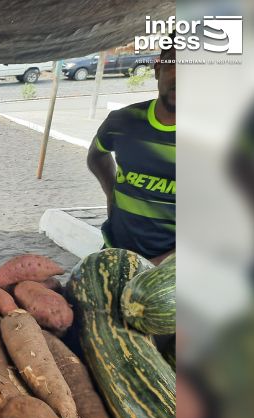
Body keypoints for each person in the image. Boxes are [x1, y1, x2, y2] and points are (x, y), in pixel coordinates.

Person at [87, 36, 176, 265]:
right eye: (176, 64)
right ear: (158, 68)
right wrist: (111, 194)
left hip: (170, 276)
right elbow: (96, 156)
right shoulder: (123, 122)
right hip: (112, 259)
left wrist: (154, 267)